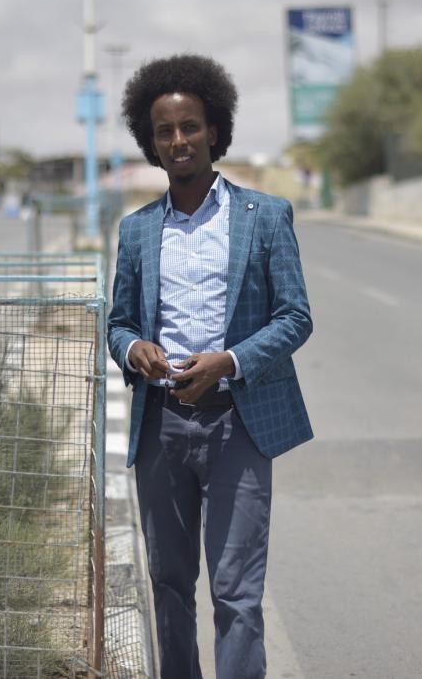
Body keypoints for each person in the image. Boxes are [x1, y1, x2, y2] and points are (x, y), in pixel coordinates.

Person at [107, 54, 313, 678]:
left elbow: (295, 318)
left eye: (191, 126)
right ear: (150, 141)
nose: (178, 141)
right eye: (165, 130)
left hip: (238, 427)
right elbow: (118, 323)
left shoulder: (266, 217)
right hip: (161, 428)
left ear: (216, 131)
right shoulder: (137, 230)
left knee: (237, 593)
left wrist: (229, 361)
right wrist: (131, 348)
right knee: (168, 585)